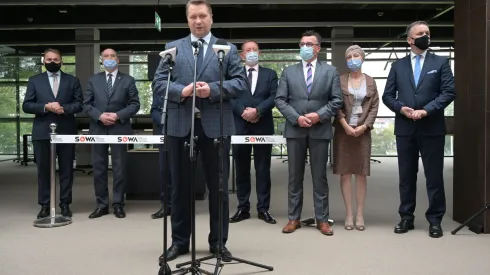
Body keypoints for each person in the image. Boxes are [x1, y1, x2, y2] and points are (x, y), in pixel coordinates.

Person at [152, 0, 247, 262]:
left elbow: (240, 83)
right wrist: (180, 91)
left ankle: (218, 243)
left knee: (218, 187)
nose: (198, 21)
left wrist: (213, 90)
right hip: (180, 125)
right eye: (193, 16)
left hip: (216, 125)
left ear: (211, 17)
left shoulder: (226, 49)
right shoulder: (172, 48)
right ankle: (180, 242)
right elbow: (158, 83)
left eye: (202, 16)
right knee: (179, 187)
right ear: (187, 20)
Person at [382, 21, 456, 238]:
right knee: (406, 176)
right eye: (420, 33)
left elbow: (449, 92)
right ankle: (406, 217)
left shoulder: (441, 62)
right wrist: (401, 108)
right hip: (405, 128)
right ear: (410, 40)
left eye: (428, 33)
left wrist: (426, 110)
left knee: (434, 176)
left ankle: (435, 220)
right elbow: (388, 95)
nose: (425, 36)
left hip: (431, 127)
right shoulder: (398, 66)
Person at [275, 30, 343, 236]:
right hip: (295, 129)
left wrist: (318, 115)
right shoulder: (288, 71)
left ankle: (322, 219)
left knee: (319, 176)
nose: (305, 47)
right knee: (294, 176)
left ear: (318, 48)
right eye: (302, 43)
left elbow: (336, 100)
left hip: (319, 128)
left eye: (309, 44)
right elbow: (280, 100)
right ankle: (293, 218)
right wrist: (297, 118)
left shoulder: (330, 71)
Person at [23, 48, 83, 219]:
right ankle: (45, 205)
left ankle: (65, 204)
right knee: (43, 170)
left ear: (61, 61)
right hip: (42, 132)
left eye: (56, 59)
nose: (52, 62)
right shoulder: (35, 80)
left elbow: (79, 104)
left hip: (66, 130)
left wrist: (63, 109)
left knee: (66, 170)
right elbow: (26, 105)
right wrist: (45, 107)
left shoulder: (72, 80)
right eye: (49, 59)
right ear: (43, 61)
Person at [83, 48, 140, 219]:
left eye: (112, 56)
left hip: (119, 128)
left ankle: (118, 204)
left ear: (118, 59)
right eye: (106, 56)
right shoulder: (93, 80)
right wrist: (99, 116)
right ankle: (101, 205)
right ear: (101, 60)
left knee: (119, 168)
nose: (109, 59)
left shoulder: (128, 80)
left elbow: (135, 104)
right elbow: (86, 104)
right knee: (99, 168)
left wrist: (117, 115)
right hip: (98, 128)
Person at [229, 40, 278, 225]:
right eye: (247, 50)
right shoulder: (234, 75)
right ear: (242, 55)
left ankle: (263, 209)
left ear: (260, 53)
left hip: (262, 126)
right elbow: (230, 97)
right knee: (241, 169)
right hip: (239, 127)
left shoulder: (270, 74)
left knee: (263, 169)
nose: (251, 52)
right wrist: (243, 112)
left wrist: (257, 111)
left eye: (254, 50)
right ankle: (243, 208)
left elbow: (274, 97)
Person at [332, 45, 379, 231]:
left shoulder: (371, 81)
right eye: (349, 56)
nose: (353, 59)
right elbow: (335, 104)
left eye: (356, 55)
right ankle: (348, 213)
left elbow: (375, 105)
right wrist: (344, 124)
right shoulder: (340, 80)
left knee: (361, 172)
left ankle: (360, 213)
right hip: (343, 132)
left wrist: (365, 126)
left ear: (362, 58)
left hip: (363, 132)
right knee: (345, 172)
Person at [149, 84, 172, 219]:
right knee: (165, 170)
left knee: (182, 172)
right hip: (164, 132)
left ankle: (182, 206)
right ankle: (166, 205)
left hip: (182, 132)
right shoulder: (161, 86)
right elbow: (154, 110)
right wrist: (165, 122)